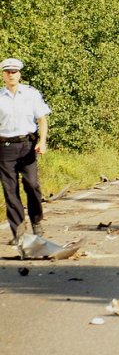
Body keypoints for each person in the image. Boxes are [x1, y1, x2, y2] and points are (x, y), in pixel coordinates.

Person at [0, 58, 51, 242]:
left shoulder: (31, 94)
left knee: (32, 185)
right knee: (10, 190)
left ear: (19, 74)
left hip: (28, 145)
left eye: (14, 72)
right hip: (5, 147)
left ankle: (37, 223)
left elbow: (42, 119)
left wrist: (42, 141)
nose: (11, 75)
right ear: (3, 75)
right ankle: (19, 233)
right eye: (8, 72)